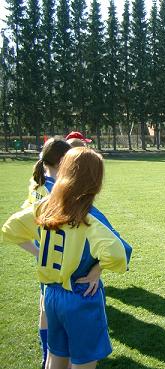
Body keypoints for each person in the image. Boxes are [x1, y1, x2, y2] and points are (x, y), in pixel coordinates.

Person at [2, 147, 132, 369]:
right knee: (83, 361)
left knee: (56, 356)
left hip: (51, 295)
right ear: (95, 180)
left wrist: (39, 252)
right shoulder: (89, 216)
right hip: (80, 293)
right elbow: (119, 253)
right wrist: (97, 270)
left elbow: (9, 229)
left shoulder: (45, 206)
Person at [21, 138, 71, 368]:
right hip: (59, 261)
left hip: (45, 259)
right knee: (60, 312)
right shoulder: (55, 191)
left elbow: (22, 221)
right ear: (62, 161)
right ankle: (56, 356)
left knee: (44, 306)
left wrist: (37, 251)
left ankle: (46, 356)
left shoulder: (36, 185)